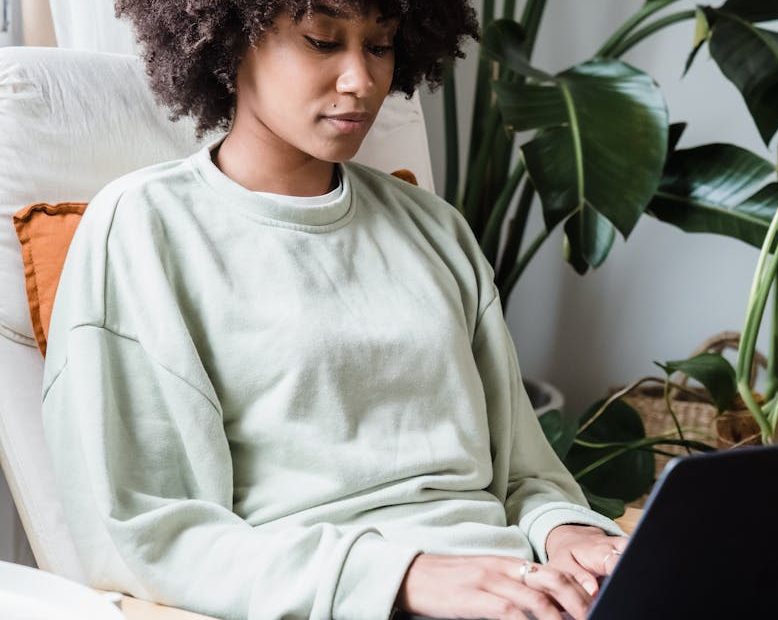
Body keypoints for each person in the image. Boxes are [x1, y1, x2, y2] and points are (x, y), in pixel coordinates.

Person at [40, 1, 629, 619]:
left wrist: (568, 534)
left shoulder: (433, 229)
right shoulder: (144, 227)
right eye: (322, 42)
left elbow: (523, 475)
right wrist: (401, 579)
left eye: (379, 46)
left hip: (525, 592)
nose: (362, 81)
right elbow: (147, 532)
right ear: (231, 42)